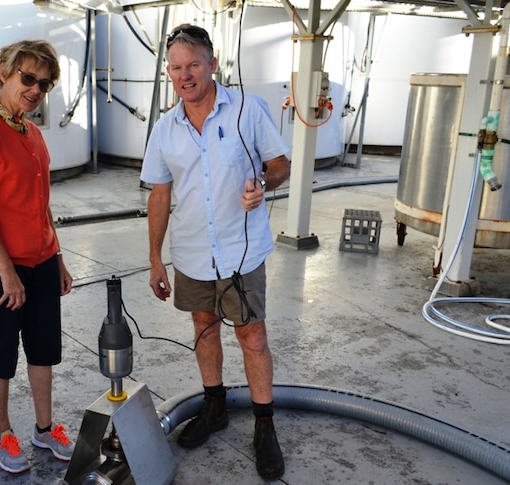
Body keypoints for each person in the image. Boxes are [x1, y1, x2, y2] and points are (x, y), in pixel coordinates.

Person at [140, 24, 291, 481]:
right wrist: (154, 258)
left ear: (212, 64)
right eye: (176, 68)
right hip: (190, 253)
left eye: (193, 65)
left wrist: (262, 185)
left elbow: (280, 164)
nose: (185, 75)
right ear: (169, 72)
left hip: (241, 251)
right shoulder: (165, 129)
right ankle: (215, 405)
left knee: (253, 336)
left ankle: (265, 424)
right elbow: (160, 197)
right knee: (203, 328)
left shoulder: (247, 109)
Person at [0, 39, 75, 475]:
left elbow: (40, 202)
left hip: (41, 262)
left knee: (43, 351)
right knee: (2, 353)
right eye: (28, 78)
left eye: (44, 83)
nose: (35, 89)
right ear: (4, 71)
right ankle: (1, 436)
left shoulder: (32, 132)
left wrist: (56, 256)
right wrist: (7, 272)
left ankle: (45, 428)